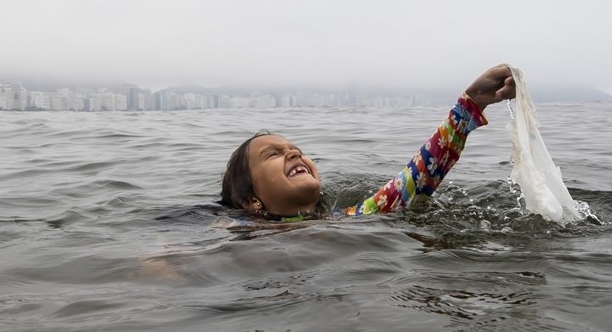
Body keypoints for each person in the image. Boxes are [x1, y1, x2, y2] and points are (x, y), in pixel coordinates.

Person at [219, 64, 517, 220]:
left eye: (296, 150)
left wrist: (469, 107)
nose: (294, 153)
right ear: (251, 201)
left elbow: (412, 181)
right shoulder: (237, 233)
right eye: (273, 154)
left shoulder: (346, 218)